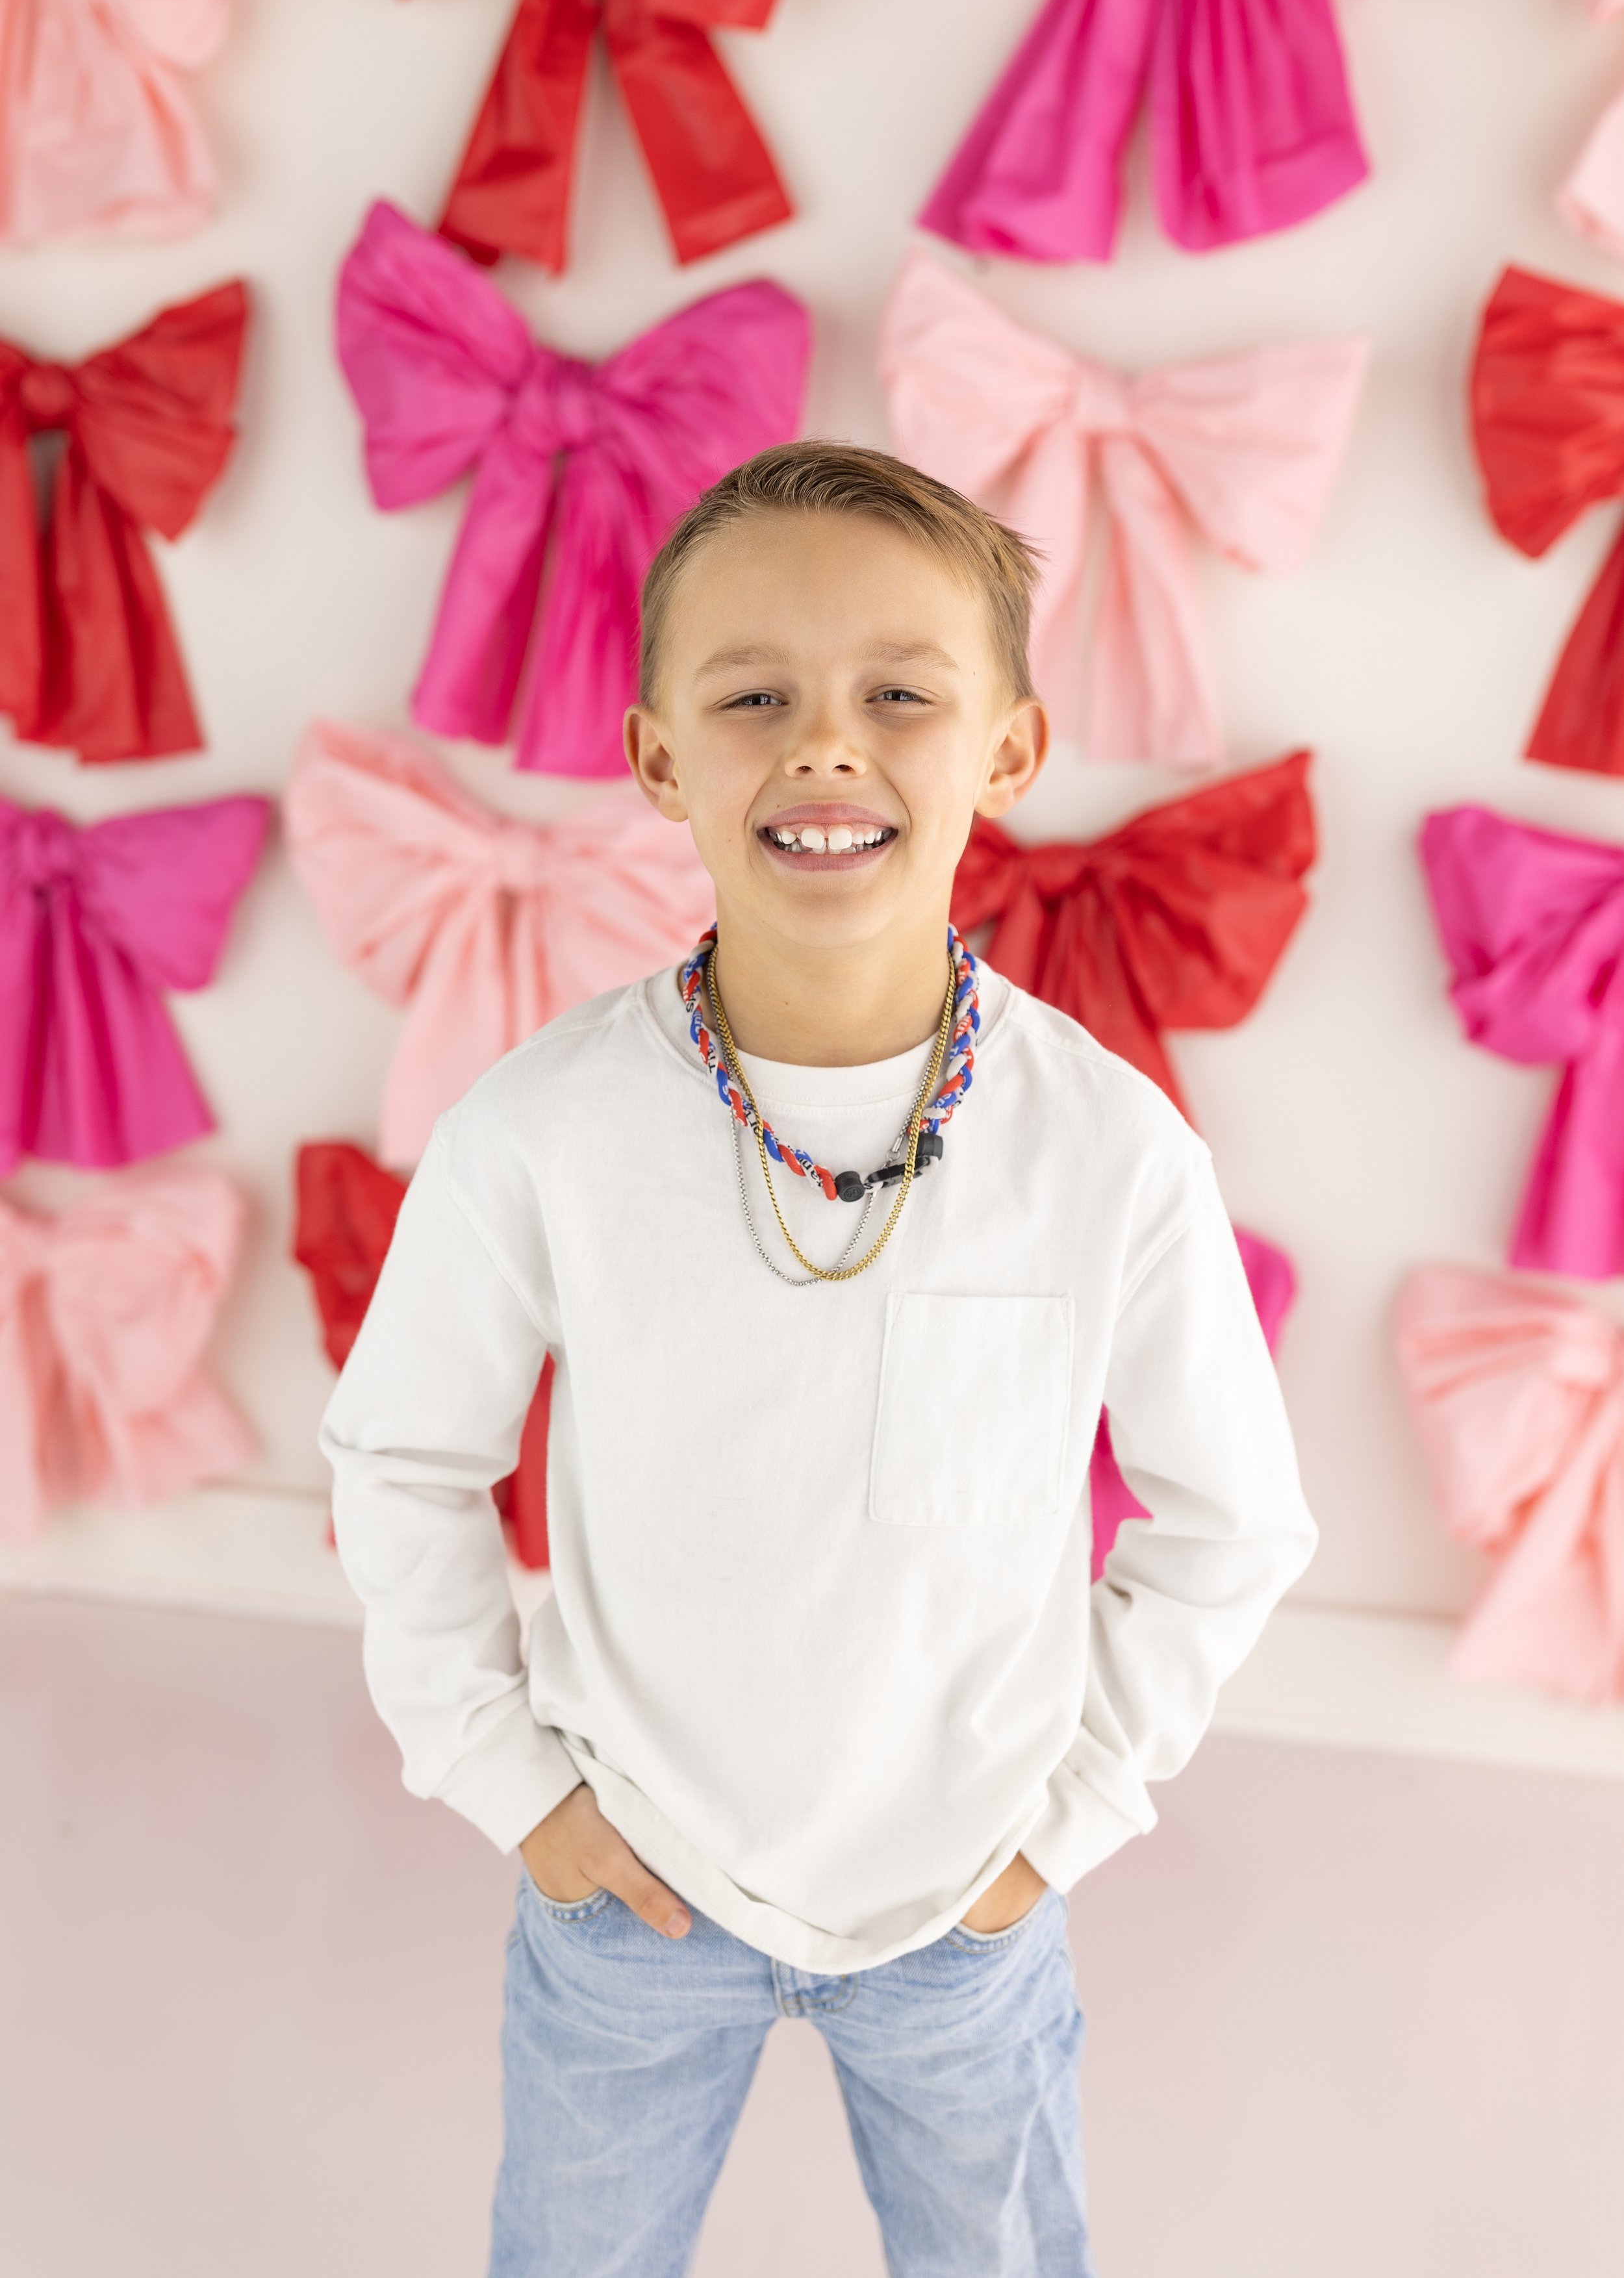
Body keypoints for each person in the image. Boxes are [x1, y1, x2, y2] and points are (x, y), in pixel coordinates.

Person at [322, 442, 1317, 2278]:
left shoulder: (1103, 1148)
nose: (825, 746)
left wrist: (1067, 1820)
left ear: (1008, 752)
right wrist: (510, 1786)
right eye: (754, 695)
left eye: (900, 697)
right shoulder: (539, 1128)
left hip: (964, 1912)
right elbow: (399, 1457)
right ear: (655, 759)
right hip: (629, 1892)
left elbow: (1231, 1520)